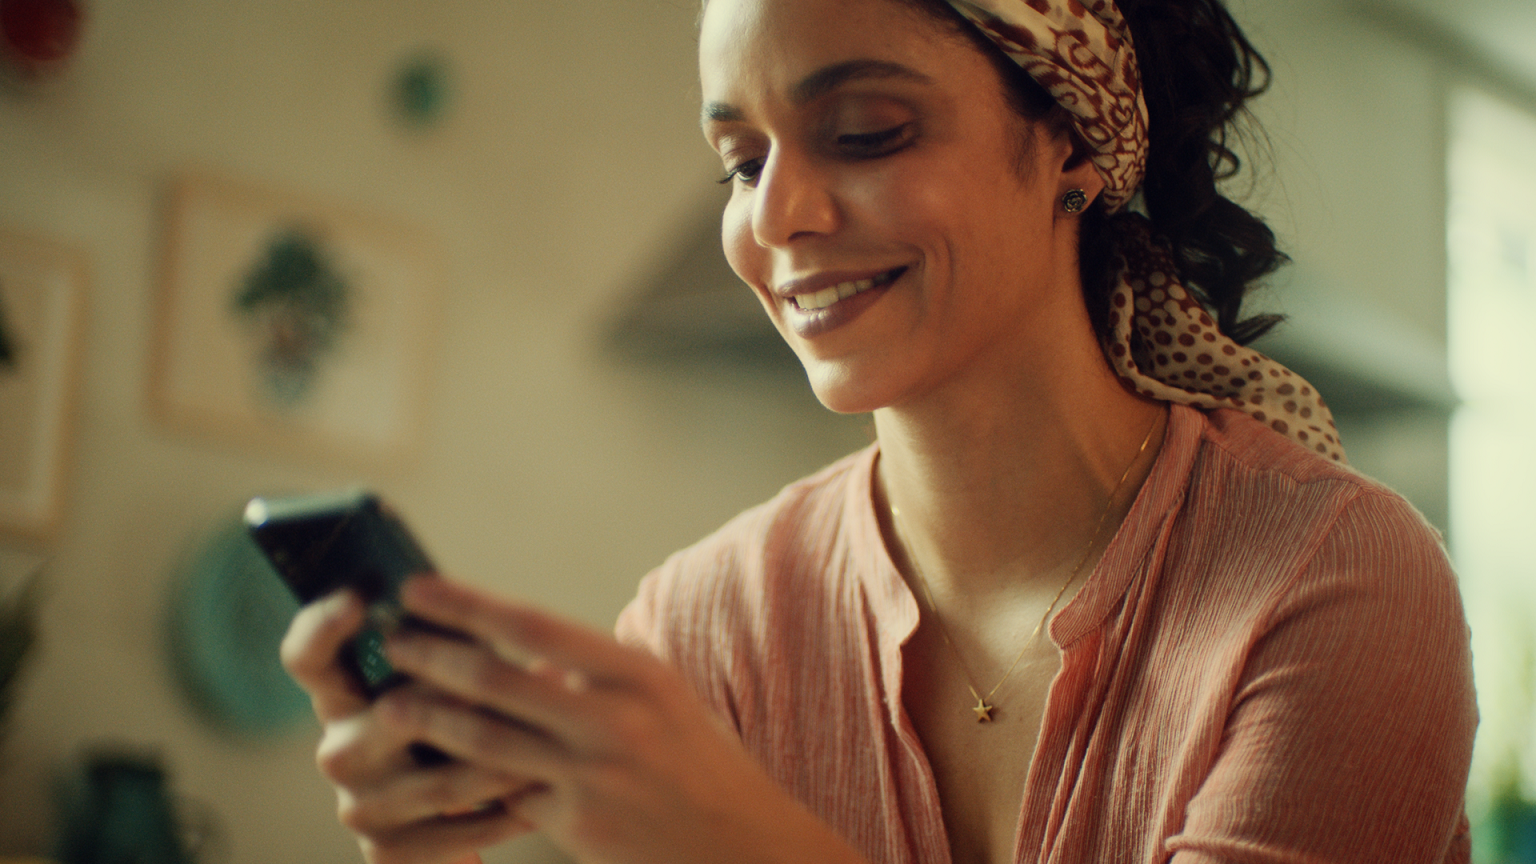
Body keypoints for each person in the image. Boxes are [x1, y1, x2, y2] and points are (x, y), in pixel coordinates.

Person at [281, 0, 1478, 862]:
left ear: (1070, 142)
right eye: (739, 161)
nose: (780, 216)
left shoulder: (1334, 578)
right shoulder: (702, 629)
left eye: (864, 133)